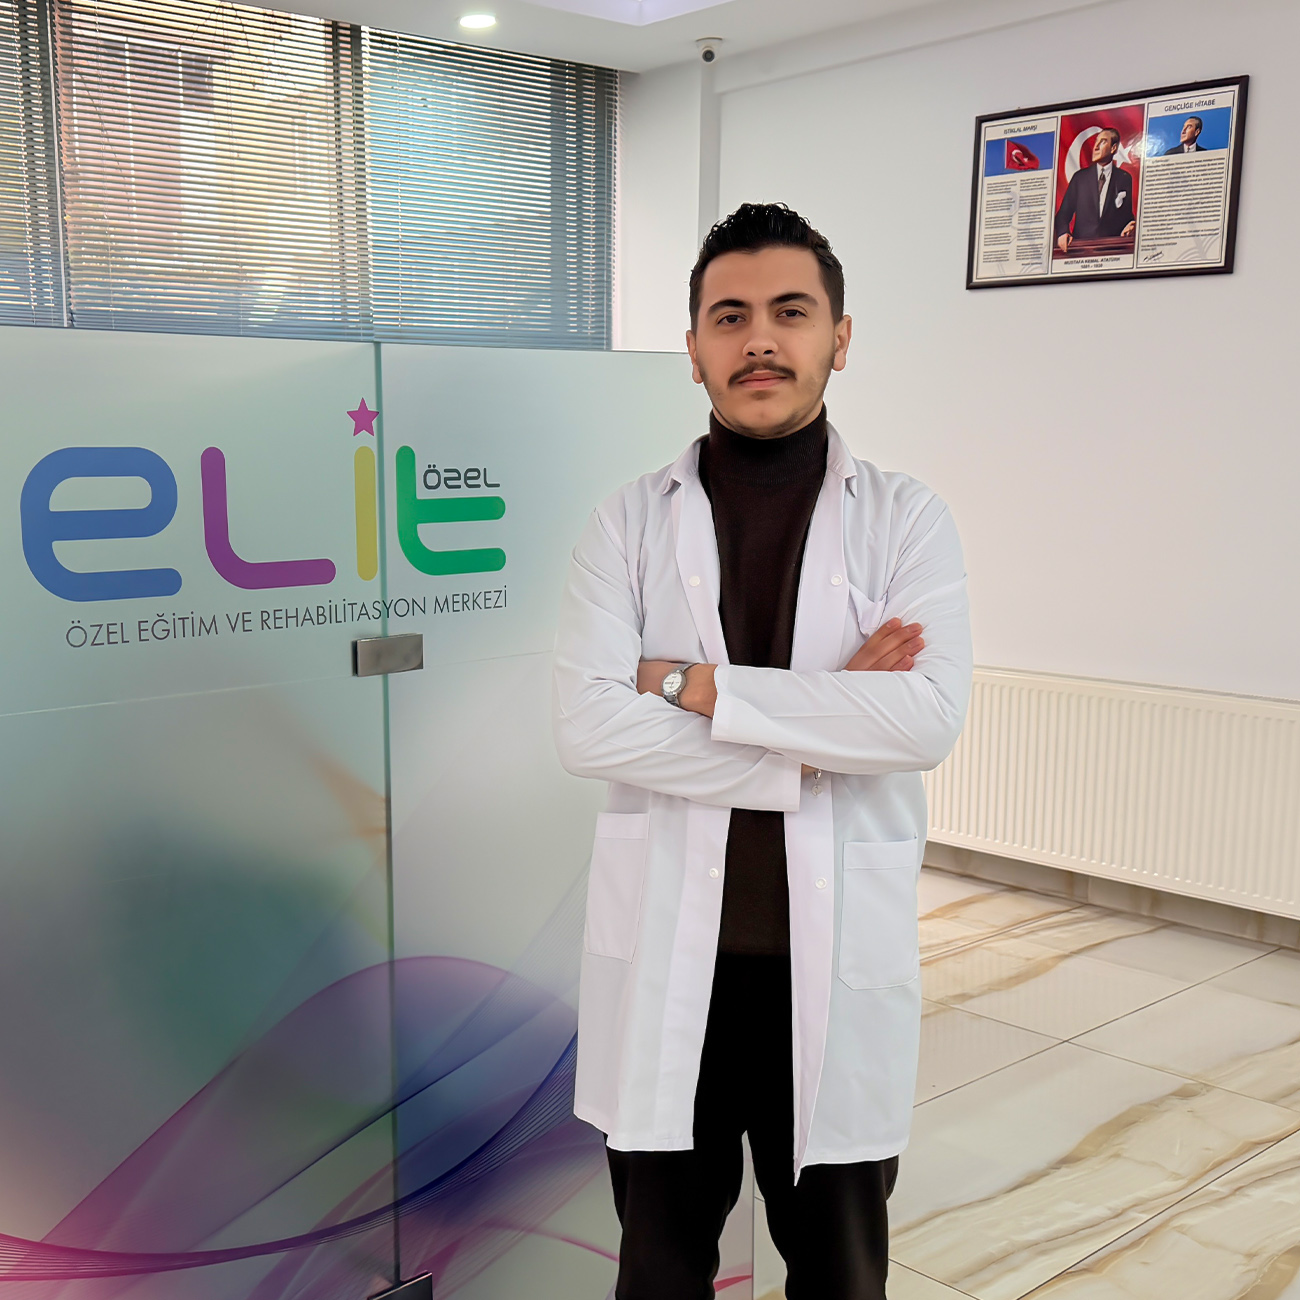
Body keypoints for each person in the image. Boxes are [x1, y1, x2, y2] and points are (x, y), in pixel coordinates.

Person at [552, 202, 973, 1300]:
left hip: (826, 970)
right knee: (658, 1273)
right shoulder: (627, 522)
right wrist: (823, 733)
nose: (760, 341)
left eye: (791, 312)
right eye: (729, 317)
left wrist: (690, 687)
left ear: (841, 336)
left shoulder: (905, 518)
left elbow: (924, 720)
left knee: (839, 1277)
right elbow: (588, 725)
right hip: (670, 965)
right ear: (693, 347)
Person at [1054, 127, 1138, 252]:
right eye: (1096, 142)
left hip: (1113, 250)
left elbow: (1126, 215)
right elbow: (1063, 214)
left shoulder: (1124, 178)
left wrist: (1131, 226)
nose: (1096, 147)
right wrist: (1063, 233)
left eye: (1102, 142)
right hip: (1081, 250)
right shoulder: (1079, 178)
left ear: (1113, 148)